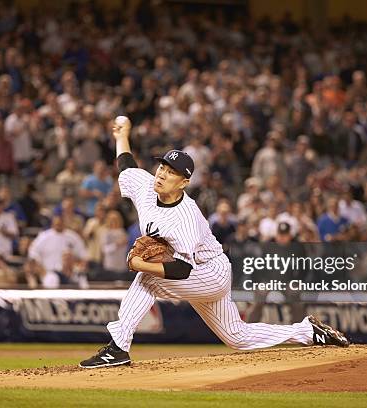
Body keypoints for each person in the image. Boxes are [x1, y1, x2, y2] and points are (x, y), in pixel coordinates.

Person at [79, 117, 349, 369]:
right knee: (237, 336)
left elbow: (182, 270)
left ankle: (118, 347)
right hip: (200, 273)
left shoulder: (185, 217)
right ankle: (308, 331)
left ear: (184, 182)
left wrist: (139, 263)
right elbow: (126, 166)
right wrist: (122, 136)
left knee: (147, 277)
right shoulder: (147, 186)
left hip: (209, 272)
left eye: (171, 172)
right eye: (161, 167)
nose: (161, 174)